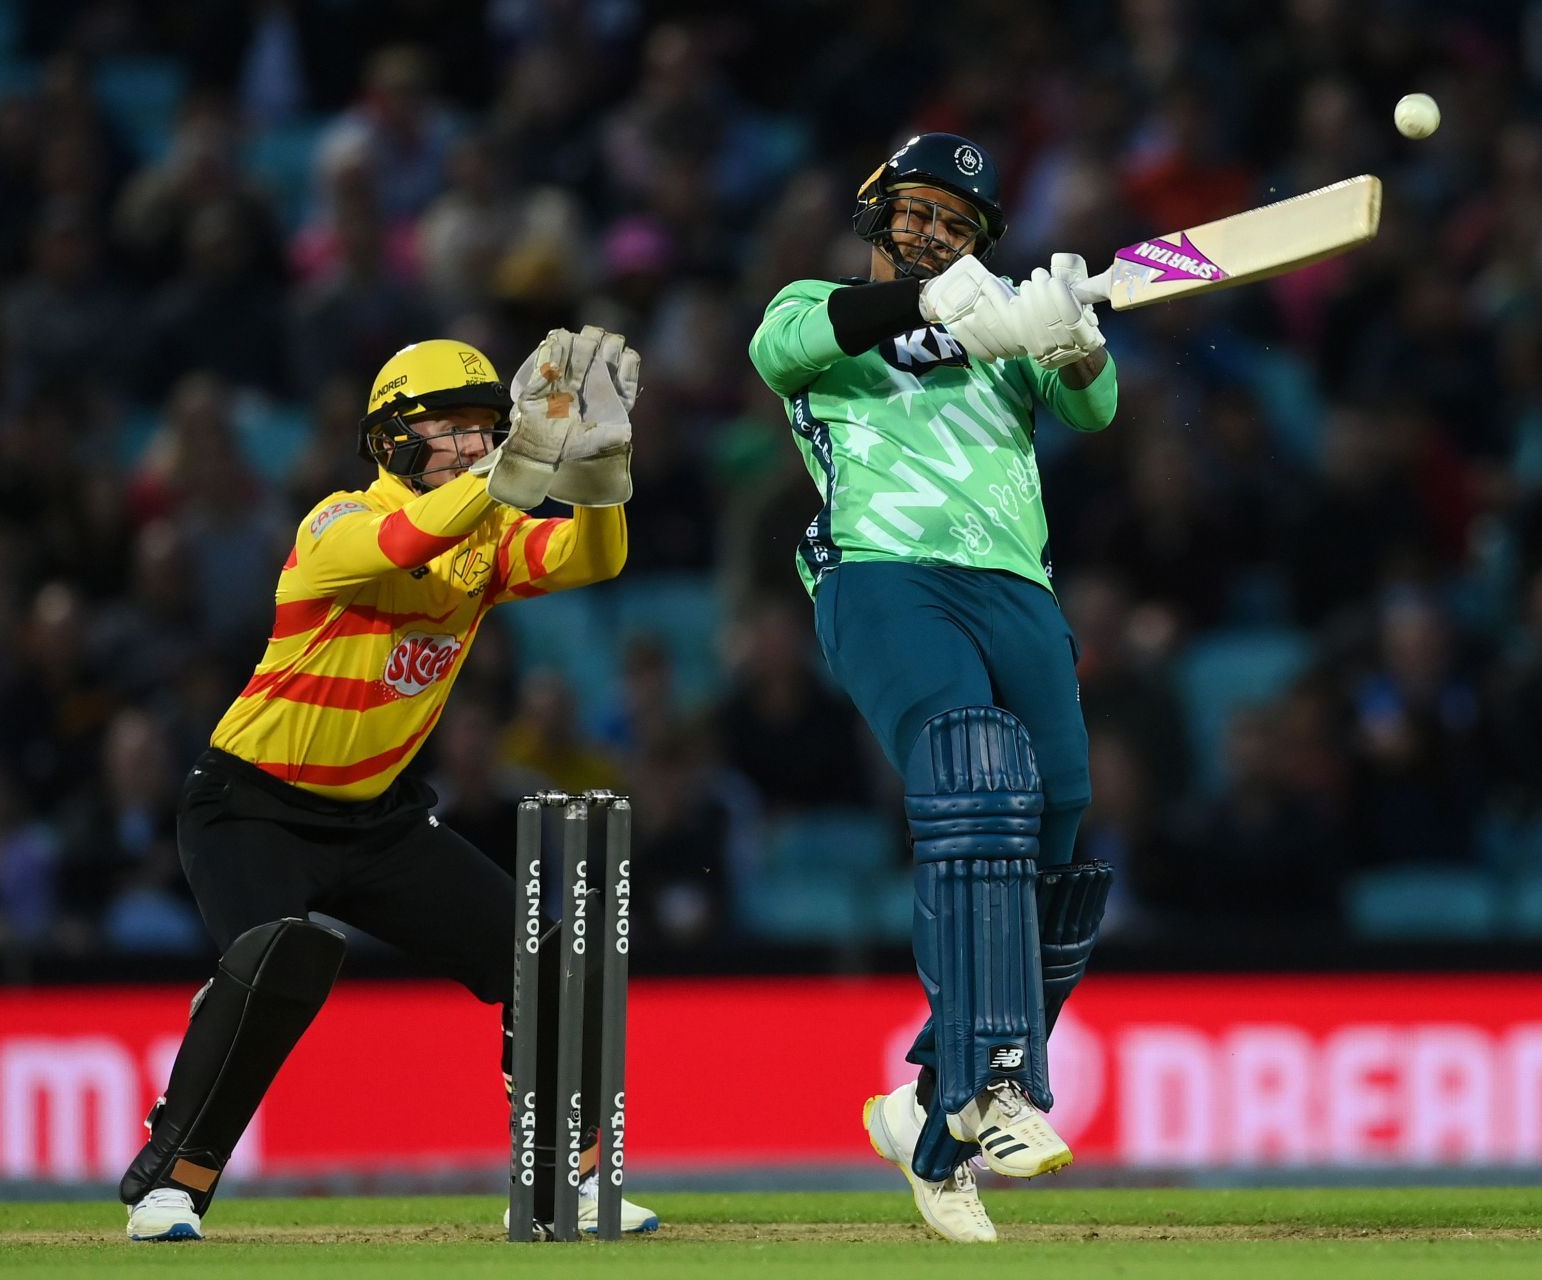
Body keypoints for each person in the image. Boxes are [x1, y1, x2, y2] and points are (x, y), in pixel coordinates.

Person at [118, 329, 657, 1242]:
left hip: (380, 817)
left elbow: (592, 560)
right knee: (275, 959)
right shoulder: (334, 522)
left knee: (546, 959)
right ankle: (174, 1183)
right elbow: (406, 540)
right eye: (448, 428)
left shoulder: (485, 535)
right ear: (391, 440)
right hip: (250, 804)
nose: (473, 444)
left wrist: (605, 475)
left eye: (485, 428)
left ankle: (561, 1179)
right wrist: (517, 466)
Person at [747, 133, 1120, 1243]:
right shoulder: (811, 303)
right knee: (973, 766)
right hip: (883, 572)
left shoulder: (1007, 337)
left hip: (1015, 581)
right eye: (912, 214)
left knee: (1055, 813)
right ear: (876, 217)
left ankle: (932, 1108)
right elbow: (788, 356)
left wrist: (1072, 338)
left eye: (954, 225)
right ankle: (997, 1081)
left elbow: (1094, 411)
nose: (929, 234)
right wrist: (961, 306)